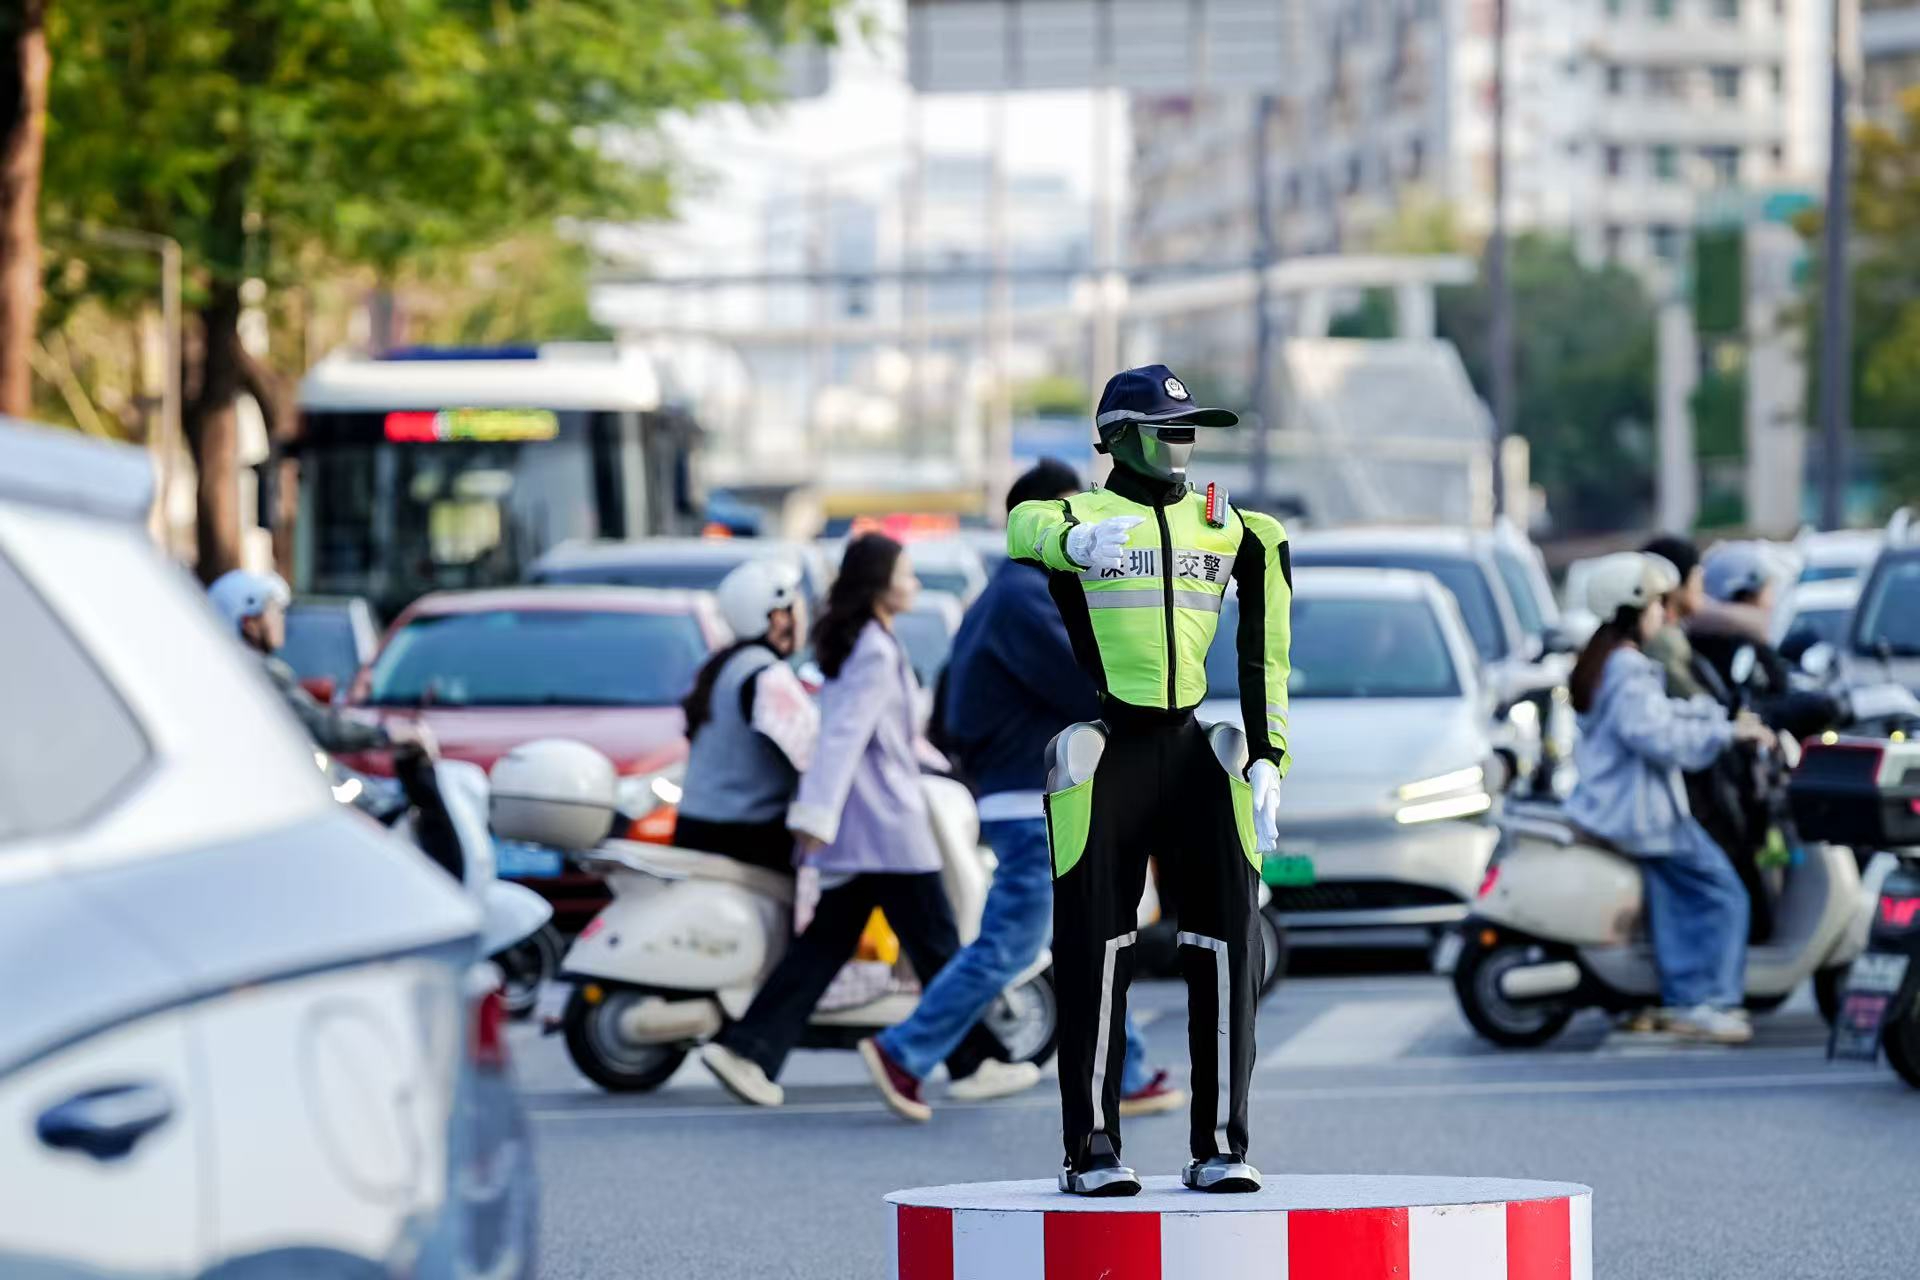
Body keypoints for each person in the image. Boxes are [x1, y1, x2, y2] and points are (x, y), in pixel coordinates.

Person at [1007, 365, 1292, 1197]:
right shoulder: (1080, 515)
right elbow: (1020, 526)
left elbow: (1263, 653)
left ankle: (1223, 1145)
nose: (1184, 442)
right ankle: (1091, 1149)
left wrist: (1270, 756)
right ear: (1122, 434)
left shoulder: (1232, 527)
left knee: (1229, 943)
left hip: (1199, 749)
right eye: (1169, 427)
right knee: (1095, 948)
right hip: (1112, 752)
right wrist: (1070, 545)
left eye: (1190, 428)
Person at [857, 460, 1184, 1124]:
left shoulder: (1017, 590)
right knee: (1014, 942)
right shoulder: (1026, 593)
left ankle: (1130, 1071)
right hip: (1033, 799)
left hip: (1031, 793)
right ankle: (904, 1050)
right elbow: (1090, 680)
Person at [700, 534, 1030, 1107]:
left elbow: (889, 741)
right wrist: (816, 813)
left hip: (873, 826)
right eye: (907, 574)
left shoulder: (871, 643)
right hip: (886, 827)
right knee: (936, 944)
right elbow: (842, 738)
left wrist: (949, 773)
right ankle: (973, 1062)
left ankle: (749, 1050)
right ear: (880, 584)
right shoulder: (874, 650)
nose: (916, 585)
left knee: (841, 945)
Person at [1563, 552, 1774, 1045]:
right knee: (1724, 895)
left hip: (1627, 809)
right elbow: (1656, 736)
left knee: (1676, 902)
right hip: (1643, 813)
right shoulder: (1628, 669)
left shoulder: (1608, 662)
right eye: (1658, 604)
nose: (1666, 614)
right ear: (1633, 610)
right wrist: (1724, 736)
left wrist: (1714, 722)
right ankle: (1711, 1001)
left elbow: (1665, 718)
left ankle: (1684, 997)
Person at [672, 558, 818, 876]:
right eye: (797, 604)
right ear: (778, 617)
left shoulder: (725, 664)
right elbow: (812, 753)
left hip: (696, 827)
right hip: (745, 837)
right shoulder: (766, 673)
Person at [207, 568, 406, 756]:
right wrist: (386, 733)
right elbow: (323, 727)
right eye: (275, 611)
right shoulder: (261, 674)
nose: (282, 619)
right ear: (249, 624)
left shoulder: (225, 673)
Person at [1640, 535, 1709, 700]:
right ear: (1673, 582)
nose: (1701, 582)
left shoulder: (1673, 632)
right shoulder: (1664, 641)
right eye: (1696, 573)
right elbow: (1694, 699)